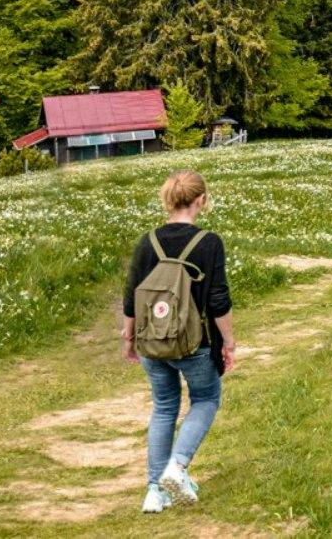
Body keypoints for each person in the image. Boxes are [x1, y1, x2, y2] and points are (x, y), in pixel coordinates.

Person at [122, 169, 235, 513]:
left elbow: (131, 296)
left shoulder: (148, 241)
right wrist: (228, 342)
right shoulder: (209, 242)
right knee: (206, 399)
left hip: (152, 342)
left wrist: (128, 337)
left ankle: (155, 491)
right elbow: (218, 299)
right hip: (194, 344)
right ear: (201, 200)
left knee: (164, 407)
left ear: (169, 199)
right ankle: (178, 466)